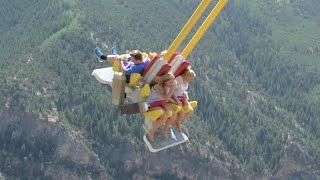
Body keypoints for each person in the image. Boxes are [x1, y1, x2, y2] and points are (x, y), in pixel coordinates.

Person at [144, 72, 178, 141]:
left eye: (172, 82)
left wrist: (175, 101)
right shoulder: (157, 87)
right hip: (151, 104)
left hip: (160, 103)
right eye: (170, 82)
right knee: (164, 117)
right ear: (165, 82)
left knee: (174, 115)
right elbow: (165, 98)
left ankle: (165, 129)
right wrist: (172, 89)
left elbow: (167, 98)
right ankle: (151, 131)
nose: (172, 84)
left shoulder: (166, 86)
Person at [173, 67, 197, 131]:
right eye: (190, 78)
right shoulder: (178, 80)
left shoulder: (186, 81)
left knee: (191, 111)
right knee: (183, 111)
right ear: (186, 76)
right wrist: (177, 100)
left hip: (180, 97)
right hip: (174, 97)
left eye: (192, 79)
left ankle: (178, 121)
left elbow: (183, 90)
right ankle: (177, 123)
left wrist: (185, 94)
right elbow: (172, 91)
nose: (191, 80)